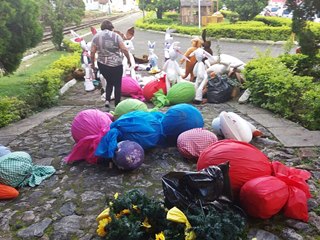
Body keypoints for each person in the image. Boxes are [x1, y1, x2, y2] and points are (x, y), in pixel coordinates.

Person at [90, 20, 131, 110]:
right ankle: (117, 105)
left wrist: (92, 64)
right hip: (116, 64)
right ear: (111, 27)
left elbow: (92, 52)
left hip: (102, 64)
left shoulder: (96, 37)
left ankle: (107, 101)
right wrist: (129, 59)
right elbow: (124, 49)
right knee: (117, 84)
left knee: (109, 81)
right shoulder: (116, 36)